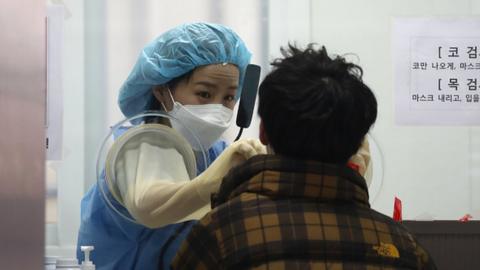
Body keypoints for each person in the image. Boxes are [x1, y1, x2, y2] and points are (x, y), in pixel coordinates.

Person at [171, 44, 437, 269]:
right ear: (359, 143)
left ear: (263, 132)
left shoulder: (220, 233)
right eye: (204, 94)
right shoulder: (404, 248)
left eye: (228, 97)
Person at [76, 22, 266, 270]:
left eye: (229, 98)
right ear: (162, 92)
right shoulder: (141, 145)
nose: (219, 108)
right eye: (205, 94)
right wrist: (215, 181)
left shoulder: (215, 155)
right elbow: (151, 207)